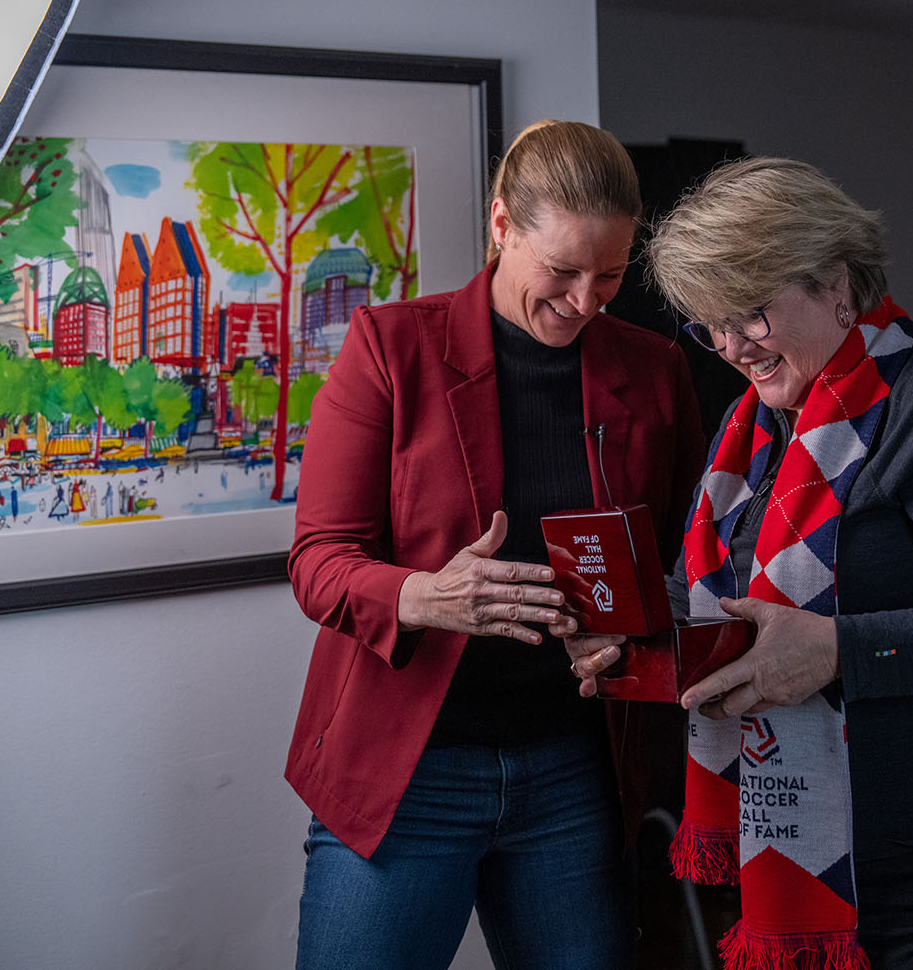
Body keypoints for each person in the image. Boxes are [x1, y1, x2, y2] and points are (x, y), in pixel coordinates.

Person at [567, 157, 913, 969]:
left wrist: (836, 650)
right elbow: (714, 594)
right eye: (709, 323)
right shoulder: (753, 430)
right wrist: (625, 634)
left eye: (750, 313)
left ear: (839, 284)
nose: (730, 346)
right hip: (811, 850)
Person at [286, 120, 704, 970]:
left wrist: (635, 632)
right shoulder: (390, 347)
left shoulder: (656, 369)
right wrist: (422, 596)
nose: (586, 301)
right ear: (502, 223)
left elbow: (683, 566)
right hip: (407, 773)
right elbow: (318, 558)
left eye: (612, 276)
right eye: (562, 271)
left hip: (575, 773)